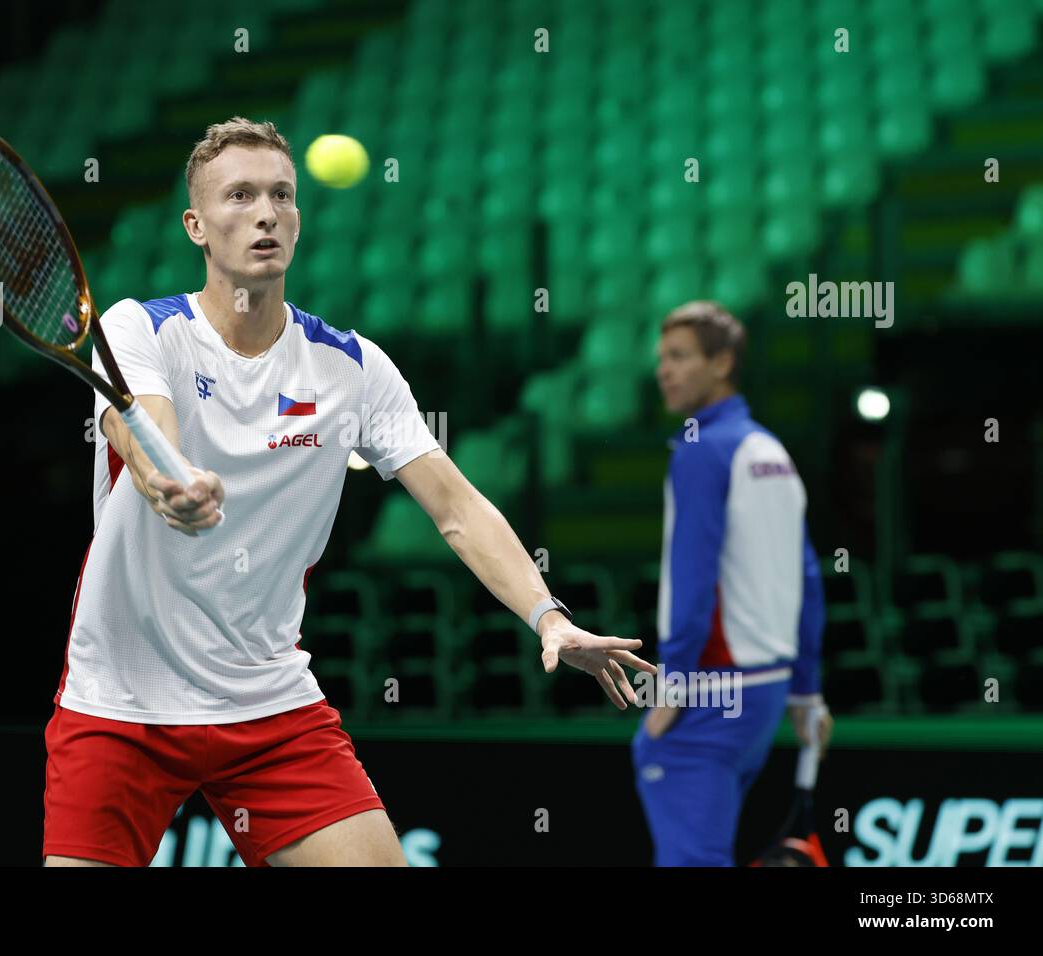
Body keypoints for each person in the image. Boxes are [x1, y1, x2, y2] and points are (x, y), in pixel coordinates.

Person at [42, 117, 655, 867]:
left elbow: (457, 508)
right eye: (239, 196)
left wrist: (549, 617)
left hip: (266, 706)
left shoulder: (350, 368)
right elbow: (140, 432)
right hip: (121, 707)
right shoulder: (141, 329)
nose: (266, 212)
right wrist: (172, 483)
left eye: (281, 195)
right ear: (196, 226)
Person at [633, 300, 832, 867]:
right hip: (764, 696)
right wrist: (805, 690)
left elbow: (691, 580)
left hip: (713, 690)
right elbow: (809, 579)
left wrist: (671, 684)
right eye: (661, 358)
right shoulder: (772, 450)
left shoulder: (701, 449)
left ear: (722, 363)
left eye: (679, 357)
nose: (663, 371)